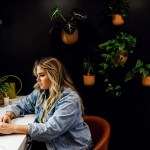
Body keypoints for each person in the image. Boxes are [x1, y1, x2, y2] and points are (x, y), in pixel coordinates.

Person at [0, 57, 93, 150]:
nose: (37, 79)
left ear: (54, 76)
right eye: (37, 75)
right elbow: (22, 103)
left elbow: (51, 130)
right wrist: (9, 114)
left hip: (70, 147)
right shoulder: (41, 92)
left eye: (42, 75)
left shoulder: (69, 100)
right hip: (50, 144)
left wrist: (12, 128)